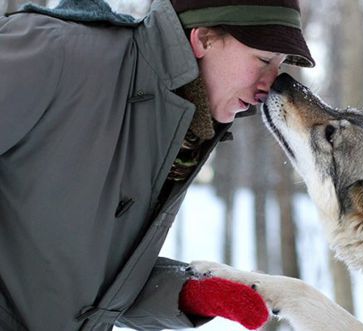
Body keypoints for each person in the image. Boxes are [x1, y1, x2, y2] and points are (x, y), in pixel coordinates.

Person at [0, 0, 314, 329]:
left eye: (279, 65)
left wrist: (186, 294)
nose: (271, 84)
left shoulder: (182, 128)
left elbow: (79, 280)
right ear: (204, 38)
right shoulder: (59, 53)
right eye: (263, 59)